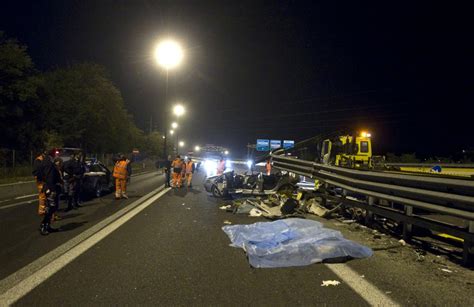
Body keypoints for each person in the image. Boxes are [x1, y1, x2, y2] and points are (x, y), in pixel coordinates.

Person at [38, 153, 62, 235]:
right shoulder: (49, 164)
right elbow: (49, 178)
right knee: (50, 207)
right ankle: (43, 225)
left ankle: (47, 225)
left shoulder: (49, 163)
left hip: (51, 187)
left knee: (53, 207)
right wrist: (51, 189)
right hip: (50, 188)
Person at [32, 150, 48, 217]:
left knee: (45, 195)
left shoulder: (43, 160)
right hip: (41, 180)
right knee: (42, 195)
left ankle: (44, 209)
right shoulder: (38, 160)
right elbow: (37, 171)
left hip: (43, 180)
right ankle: (42, 211)